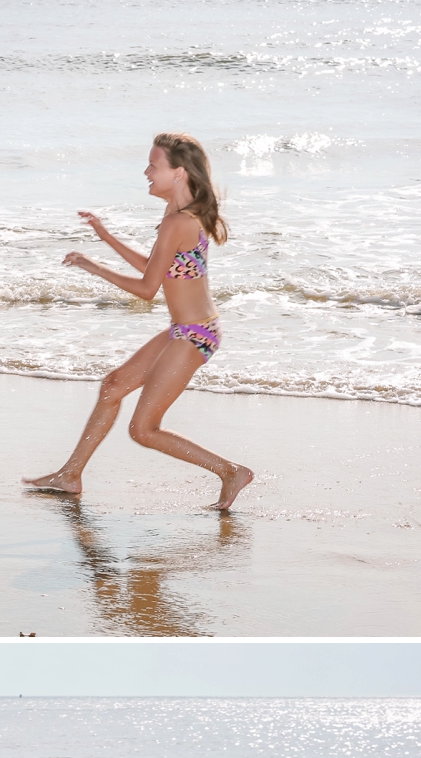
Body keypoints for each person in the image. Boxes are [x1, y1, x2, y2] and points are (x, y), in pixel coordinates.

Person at [24, 134, 254, 511]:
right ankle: (70, 475)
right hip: (189, 329)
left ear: (178, 173)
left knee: (143, 429)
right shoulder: (180, 215)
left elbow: (148, 288)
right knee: (113, 385)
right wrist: (104, 236)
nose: (146, 172)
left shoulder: (178, 221)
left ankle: (230, 472)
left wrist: (94, 267)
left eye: (154, 165)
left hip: (194, 335)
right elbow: (157, 269)